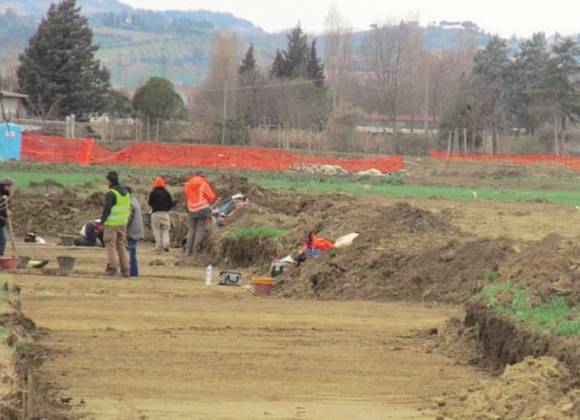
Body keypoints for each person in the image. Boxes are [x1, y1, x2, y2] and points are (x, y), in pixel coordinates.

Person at [100, 171, 131, 277]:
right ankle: (126, 269)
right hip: (123, 223)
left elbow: (107, 209)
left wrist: (101, 222)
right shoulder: (126, 193)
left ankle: (113, 268)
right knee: (121, 245)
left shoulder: (111, 193)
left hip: (112, 223)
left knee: (110, 245)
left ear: (109, 181)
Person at [184, 169, 217, 257]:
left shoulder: (188, 184)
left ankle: (188, 251)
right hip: (202, 209)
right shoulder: (204, 183)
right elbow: (211, 196)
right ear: (202, 176)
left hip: (191, 209)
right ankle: (195, 252)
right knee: (199, 230)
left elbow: (186, 195)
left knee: (191, 230)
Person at [148, 176, 173, 253]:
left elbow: (150, 202)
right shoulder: (167, 193)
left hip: (155, 214)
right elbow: (171, 203)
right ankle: (166, 244)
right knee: (166, 229)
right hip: (165, 214)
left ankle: (158, 246)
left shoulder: (153, 192)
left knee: (156, 230)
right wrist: (167, 209)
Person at [127, 187, 144, 278]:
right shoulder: (135, 201)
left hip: (132, 232)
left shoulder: (130, 203)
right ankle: (134, 272)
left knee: (130, 252)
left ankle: (132, 273)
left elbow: (128, 219)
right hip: (137, 230)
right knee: (132, 252)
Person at [0, 178, 14, 256]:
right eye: (9, 185)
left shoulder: (7, 194)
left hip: (2, 221)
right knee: (2, 239)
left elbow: (7, 206)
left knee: (3, 240)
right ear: (4, 185)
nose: (10, 187)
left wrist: (8, 211)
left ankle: (1, 256)